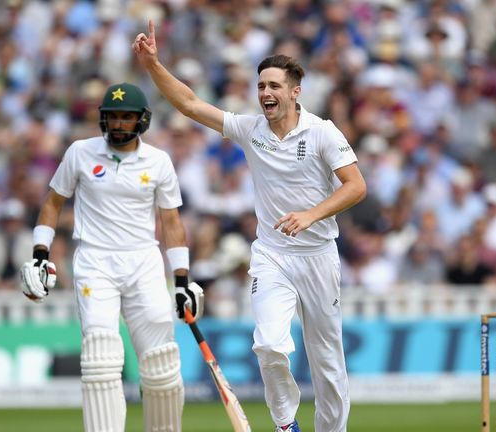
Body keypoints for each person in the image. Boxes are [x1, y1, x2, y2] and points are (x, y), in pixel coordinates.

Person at [134, 21, 367, 432]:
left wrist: (312, 214)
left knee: (327, 361)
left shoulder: (322, 133)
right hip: (272, 254)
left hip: (317, 255)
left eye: (274, 86)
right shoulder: (250, 129)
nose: (265, 93)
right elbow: (189, 104)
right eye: (261, 86)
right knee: (269, 345)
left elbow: (356, 186)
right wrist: (153, 65)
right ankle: (285, 425)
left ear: (295, 91)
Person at [19, 82, 203, 432]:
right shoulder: (80, 153)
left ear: (141, 121)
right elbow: (53, 203)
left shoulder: (159, 161)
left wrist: (181, 279)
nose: (119, 124)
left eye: (126, 117)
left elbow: (171, 223)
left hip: (144, 261)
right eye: (113, 117)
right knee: (101, 359)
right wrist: (40, 254)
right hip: (95, 262)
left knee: (161, 363)